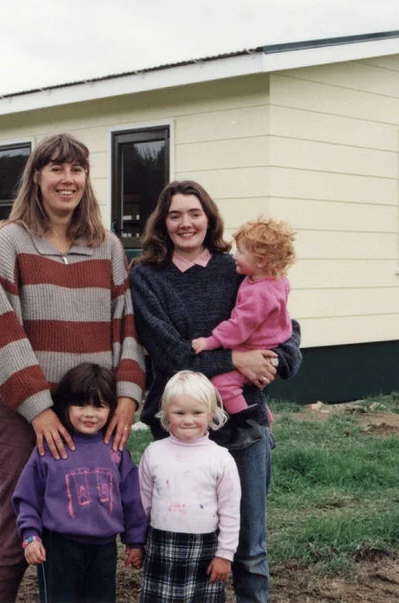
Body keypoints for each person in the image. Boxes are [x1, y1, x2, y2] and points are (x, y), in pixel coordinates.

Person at [0, 133, 145, 603]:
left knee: (89, 532)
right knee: (15, 534)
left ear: (86, 179)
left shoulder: (107, 247)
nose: (67, 179)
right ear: (37, 177)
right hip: (28, 415)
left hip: (93, 417)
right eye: (55, 168)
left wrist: (127, 397)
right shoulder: (8, 241)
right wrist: (39, 410)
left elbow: (127, 326)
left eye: (76, 170)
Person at [129, 180, 302, 603]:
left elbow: (286, 327)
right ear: (161, 223)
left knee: (247, 548)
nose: (185, 223)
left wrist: (280, 360)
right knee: (185, 543)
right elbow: (171, 354)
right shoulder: (147, 278)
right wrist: (236, 360)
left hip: (244, 424)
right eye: (175, 215)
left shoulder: (237, 266)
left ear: (209, 218)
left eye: (194, 213)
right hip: (180, 427)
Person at [13, 363, 146, 603]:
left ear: (111, 409)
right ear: (65, 405)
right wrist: (31, 536)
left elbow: (131, 498)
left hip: (104, 548)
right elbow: (27, 497)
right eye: (80, 404)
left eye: (99, 405)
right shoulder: (50, 448)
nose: (89, 413)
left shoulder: (115, 450)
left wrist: (135, 541)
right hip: (59, 547)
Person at [138, 370, 241, 603]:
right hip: (160, 545)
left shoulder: (221, 459)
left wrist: (225, 555)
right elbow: (142, 503)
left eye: (196, 412)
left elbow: (230, 512)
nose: (188, 420)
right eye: (179, 412)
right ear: (166, 413)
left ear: (211, 413)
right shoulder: (154, 453)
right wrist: (136, 542)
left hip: (204, 549)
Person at [191, 217, 296, 415]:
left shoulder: (258, 294)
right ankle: (260, 412)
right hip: (270, 343)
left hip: (255, 348)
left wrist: (210, 342)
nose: (234, 257)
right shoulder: (275, 279)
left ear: (261, 260)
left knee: (222, 385)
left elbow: (239, 327)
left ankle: (245, 418)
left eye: (240, 252)